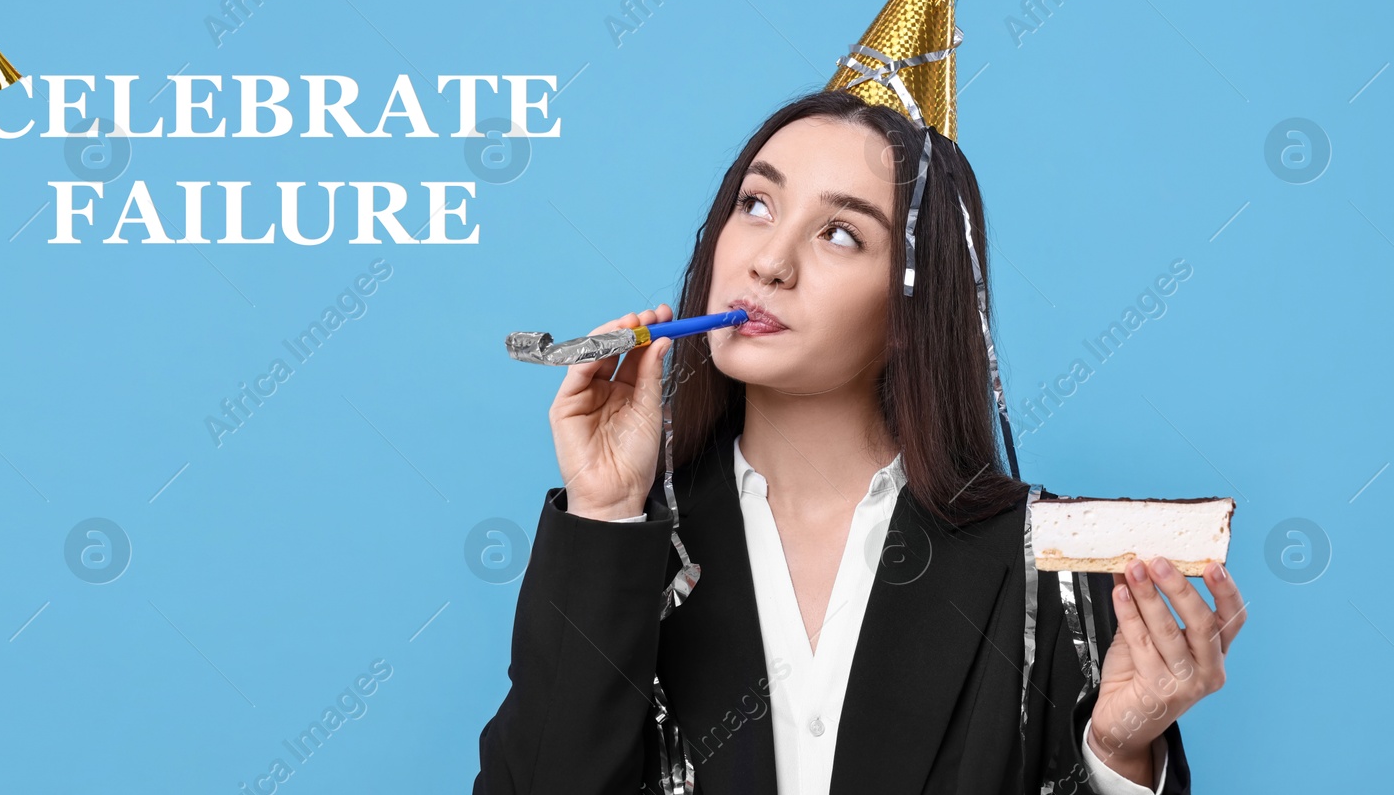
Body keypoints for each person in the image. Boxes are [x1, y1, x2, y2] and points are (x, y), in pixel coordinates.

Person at [473, 89, 1246, 795]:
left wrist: (1117, 754)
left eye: (839, 233)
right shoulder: (629, 547)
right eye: (756, 203)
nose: (769, 262)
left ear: (915, 306)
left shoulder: (1046, 572)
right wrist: (605, 512)